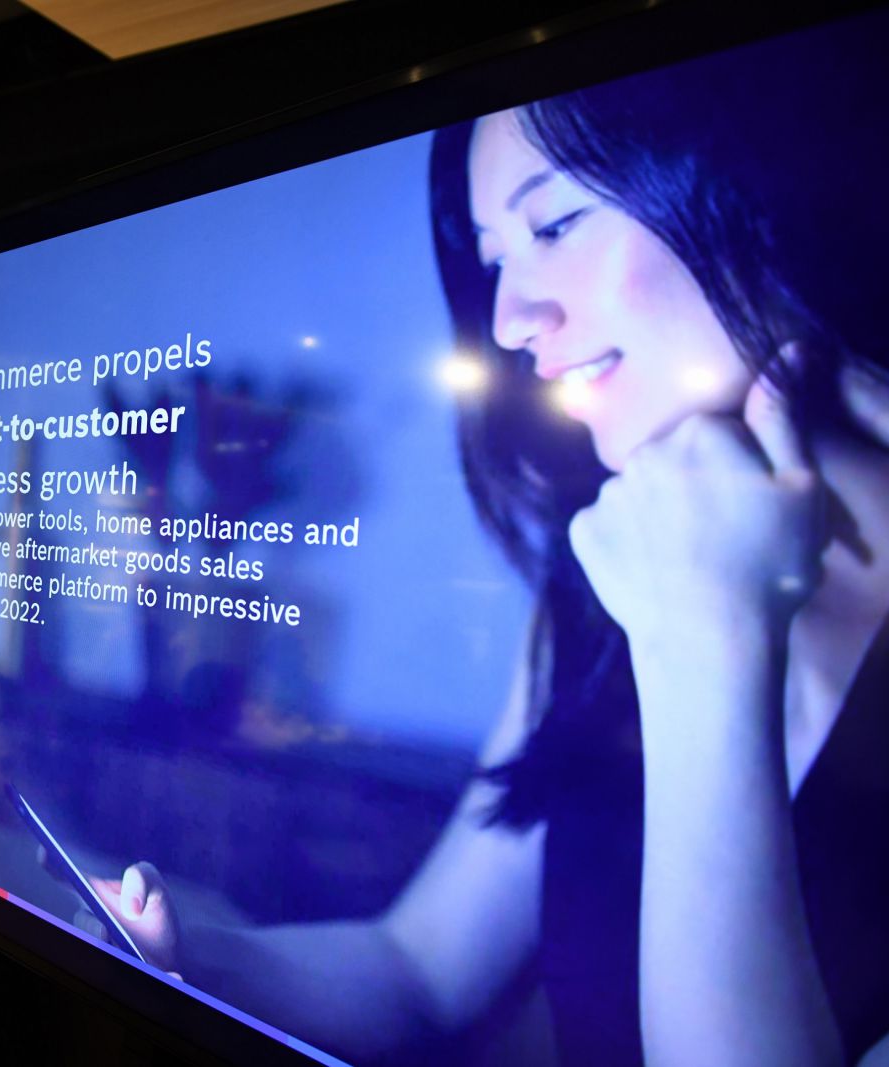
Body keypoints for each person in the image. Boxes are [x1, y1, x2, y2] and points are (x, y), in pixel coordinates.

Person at [86, 28, 889, 1067]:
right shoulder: (592, 591)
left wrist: (707, 641)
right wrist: (186, 954)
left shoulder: (659, 591)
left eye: (555, 223)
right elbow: (420, 970)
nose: (509, 317)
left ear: (746, 170)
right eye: (496, 259)